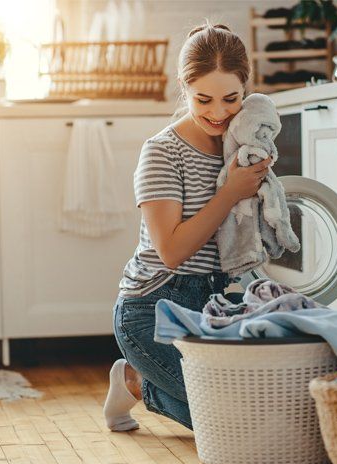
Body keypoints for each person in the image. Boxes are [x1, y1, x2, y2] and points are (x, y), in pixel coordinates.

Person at [103, 22, 272, 431]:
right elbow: (172, 252)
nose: (218, 113)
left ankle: (151, 383)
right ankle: (137, 381)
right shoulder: (162, 153)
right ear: (184, 86)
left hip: (214, 303)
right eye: (204, 99)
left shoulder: (243, 145)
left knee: (266, 408)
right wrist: (229, 192)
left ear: (246, 90)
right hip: (152, 309)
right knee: (234, 426)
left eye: (231, 99)